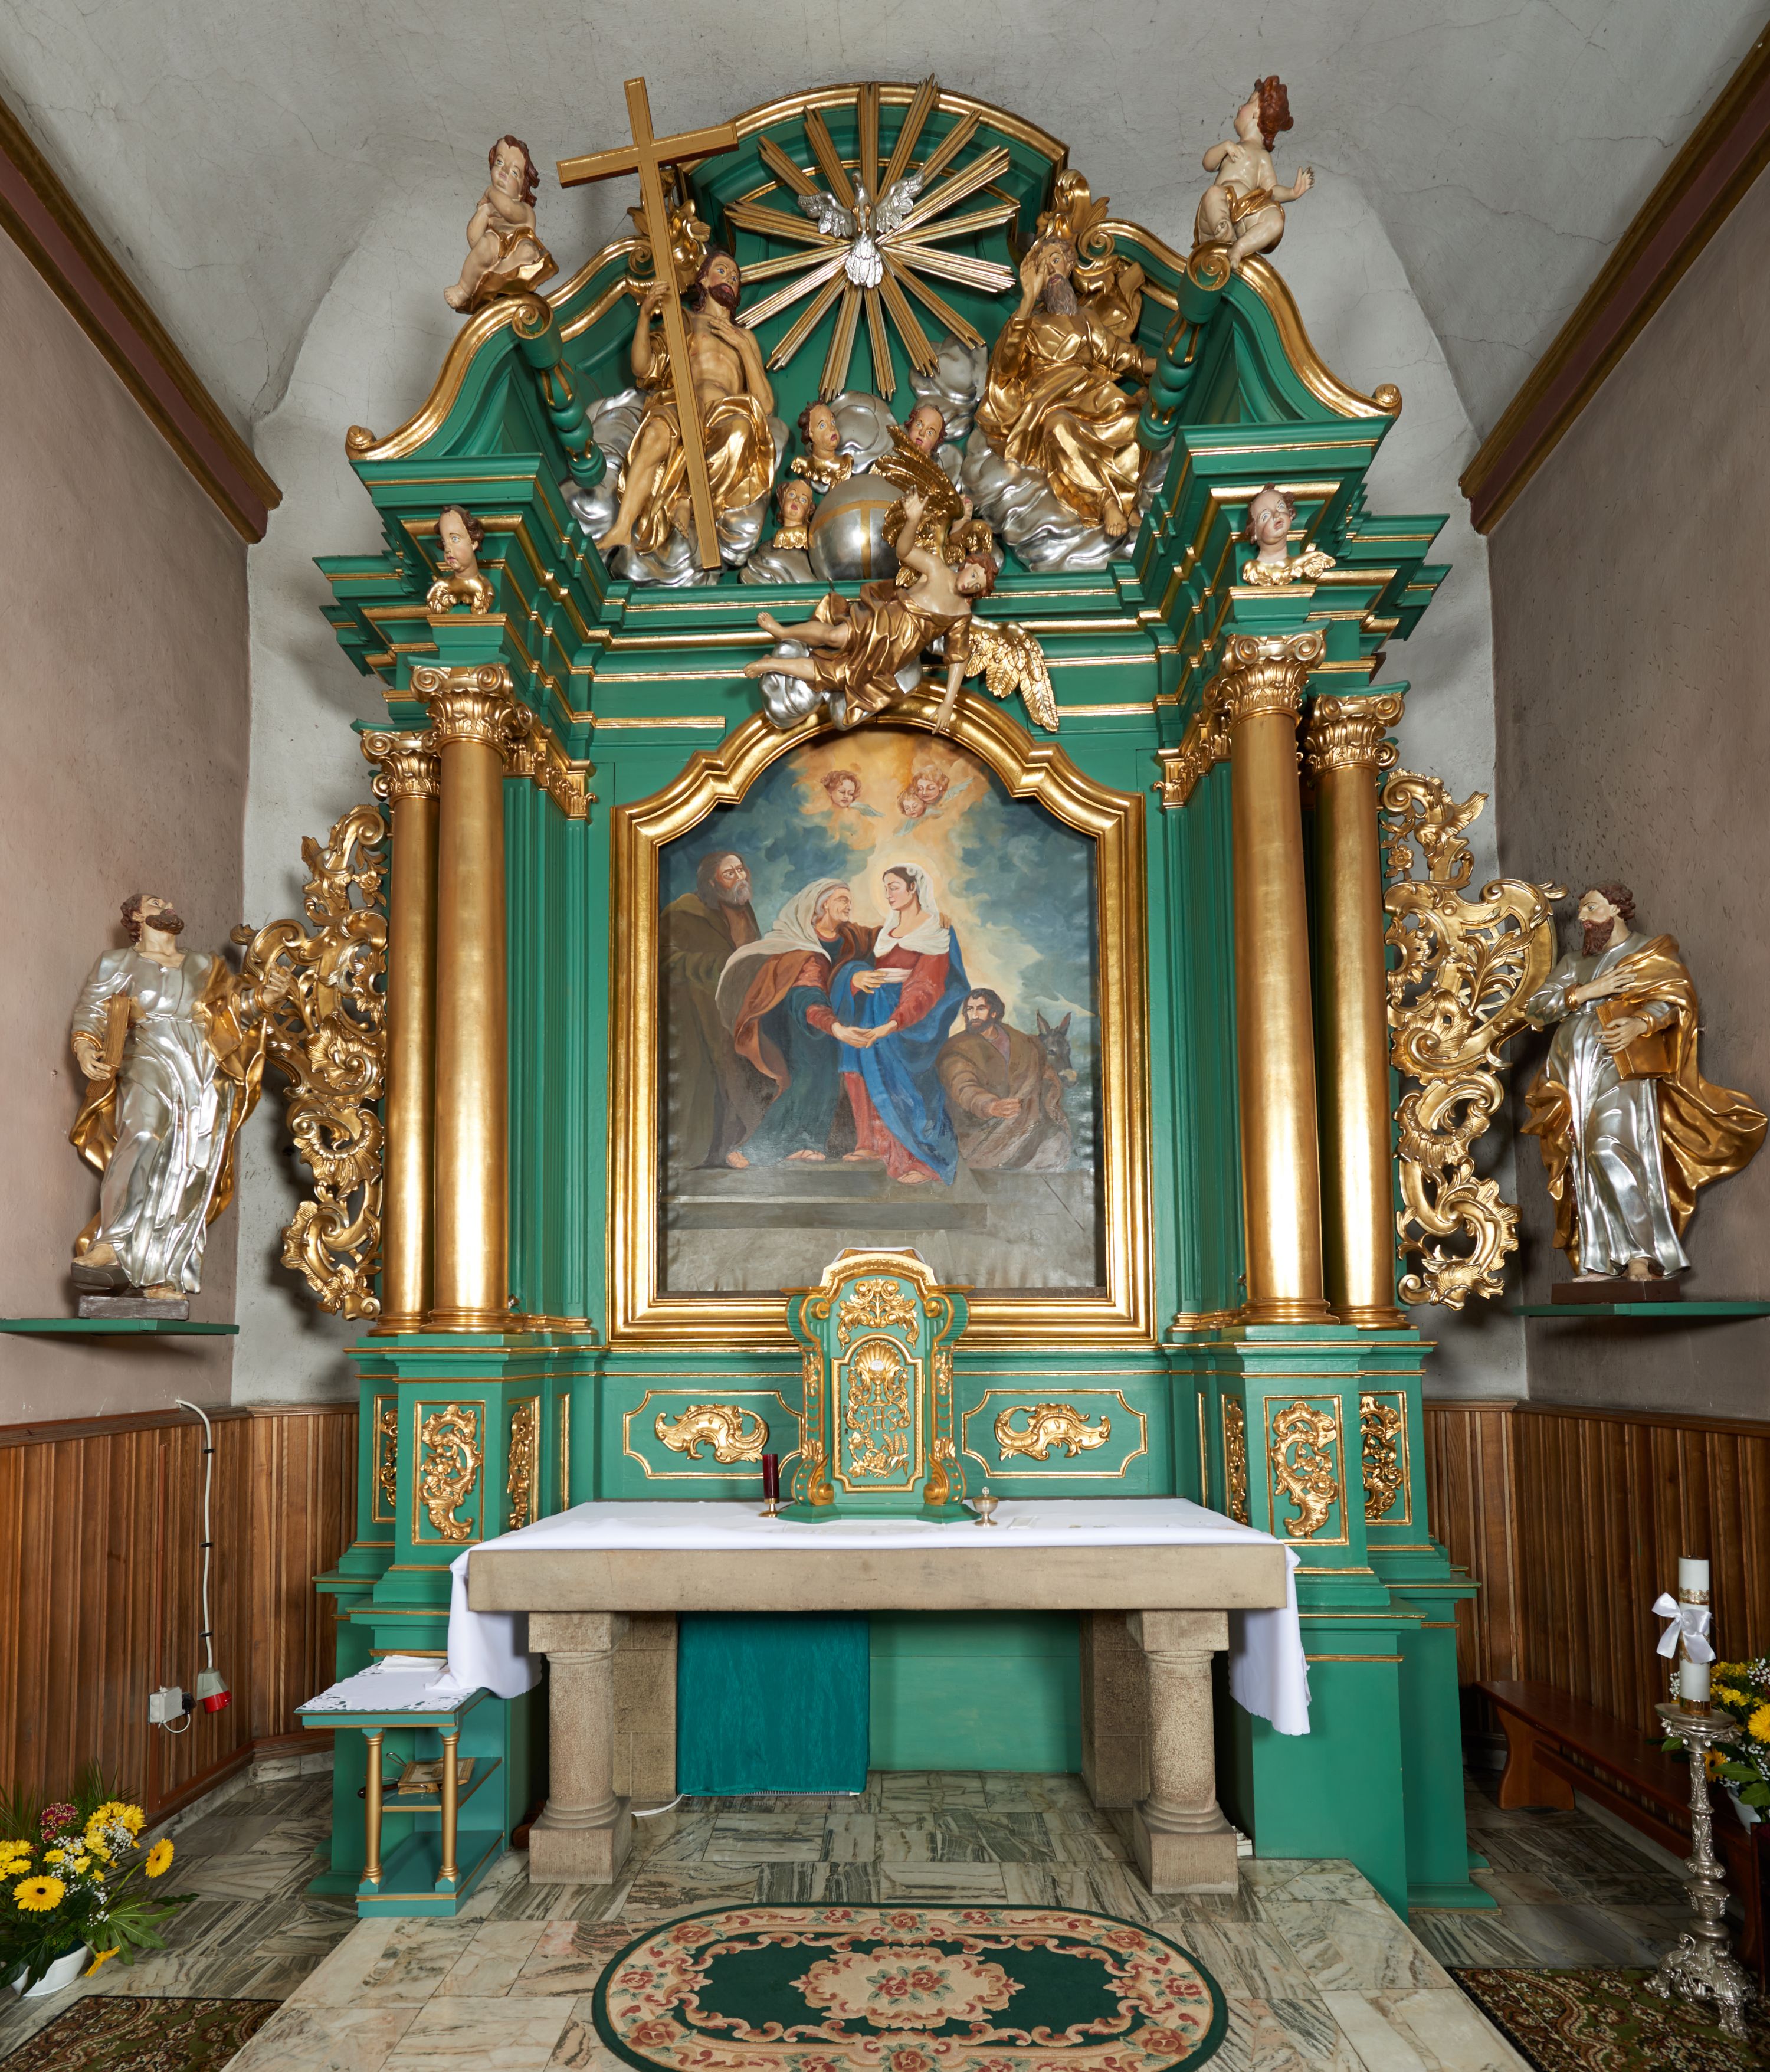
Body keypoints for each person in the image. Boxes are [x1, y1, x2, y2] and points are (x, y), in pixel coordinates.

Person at [1521, 885, 1765, 1281]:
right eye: (1582, 911)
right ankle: (1600, 1260)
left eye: (1591, 908)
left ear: (1617, 909)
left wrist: (1640, 1022)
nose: (1583, 918)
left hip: (1623, 1066)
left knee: (1608, 1148)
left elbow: (1675, 999)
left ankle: (1641, 1255)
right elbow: (1534, 1009)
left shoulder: (1647, 952)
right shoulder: (1573, 963)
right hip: (1571, 1075)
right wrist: (1589, 991)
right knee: (1582, 1160)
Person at [69, 894, 287, 1297]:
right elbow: (92, 1012)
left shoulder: (206, 965)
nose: (167, 905)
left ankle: (164, 1272)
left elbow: (234, 1012)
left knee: (194, 1164)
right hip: (148, 1055)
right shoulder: (117, 962)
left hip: (204, 1067)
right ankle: (111, 1244)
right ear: (137, 916)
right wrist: (85, 1048)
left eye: (167, 902)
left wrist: (264, 1000)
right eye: (156, 902)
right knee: (142, 1137)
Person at [743, 491, 995, 731]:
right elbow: (905, 551)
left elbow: (958, 658)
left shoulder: (960, 614)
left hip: (894, 654)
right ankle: (783, 632)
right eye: (974, 575)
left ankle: (772, 664)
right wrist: (912, 520)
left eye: (977, 587)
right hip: (880, 621)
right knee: (834, 636)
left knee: (835, 676)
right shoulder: (937, 569)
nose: (970, 584)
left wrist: (948, 704)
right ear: (967, 564)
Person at [596, 248, 776, 558]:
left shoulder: (745, 337)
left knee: (741, 432)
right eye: (723, 271)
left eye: (736, 278)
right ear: (703, 280)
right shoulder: (685, 321)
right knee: (655, 435)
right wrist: (645, 315)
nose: (730, 280)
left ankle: (688, 500)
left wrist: (742, 348)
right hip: (684, 403)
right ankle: (623, 526)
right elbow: (642, 367)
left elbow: (766, 404)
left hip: (725, 412)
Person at [975, 232, 1154, 539]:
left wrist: (1158, 366)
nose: (1051, 270)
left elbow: (1116, 354)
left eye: (1056, 260)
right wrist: (1026, 303)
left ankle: (1128, 502)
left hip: (1092, 396)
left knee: (1135, 423)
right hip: (1048, 404)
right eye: (1043, 268)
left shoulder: (1086, 319)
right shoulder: (1027, 323)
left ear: (1069, 266)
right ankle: (1106, 502)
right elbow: (1005, 368)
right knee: (1060, 429)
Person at [714, 880, 876, 1167]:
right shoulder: (802, 946)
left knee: (827, 1080)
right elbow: (807, 997)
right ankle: (755, 1150)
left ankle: (809, 1143)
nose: (849, 905)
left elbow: (882, 936)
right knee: (806, 1079)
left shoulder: (850, 936)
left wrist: (927, 921)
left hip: (835, 1019)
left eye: (849, 899)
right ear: (824, 904)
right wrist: (835, 1027)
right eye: (842, 899)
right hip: (804, 1021)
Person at [829, 864, 971, 1184]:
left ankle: (920, 1159)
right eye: (886, 888)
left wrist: (893, 1024)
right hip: (873, 1010)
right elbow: (862, 956)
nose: (888, 894)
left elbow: (926, 988)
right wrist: (855, 976)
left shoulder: (936, 930)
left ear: (913, 888)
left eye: (894, 887)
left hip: (906, 1019)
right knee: (859, 1070)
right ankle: (871, 1145)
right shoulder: (887, 929)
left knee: (903, 1085)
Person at [662, 850, 764, 1169]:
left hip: (736, 1010)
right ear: (711, 882)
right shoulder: (683, 912)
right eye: (729, 874)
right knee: (707, 1082)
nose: (740, 878)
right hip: (697, 1013)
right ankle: (697, 1154)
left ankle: (729, 1148)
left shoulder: (743, 909)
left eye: (740, 870)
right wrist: (717, 965)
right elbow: (662, 961)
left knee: (740, 1075)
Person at [936, 988, 1073, 1171]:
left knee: (1057, 1145)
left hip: (1027, 1120)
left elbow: (1041, 1068)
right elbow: (962, 1085)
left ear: (994, 1013)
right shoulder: (957, 1049)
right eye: (969, 1009)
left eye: (980, 1009)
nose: (973, 1015)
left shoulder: (1023, 1042)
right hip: (985, 1132)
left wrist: (1049, 1082)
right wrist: (990, 1105)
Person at [1194, 78, 1313, 272]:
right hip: (1216, 211)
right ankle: (1224, 232)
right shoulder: (1231, 148)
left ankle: (1239, 248)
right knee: (1213, 193)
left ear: (1257, 113)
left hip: (1245, 212)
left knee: (1276, 220)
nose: (1241, 106)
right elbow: (1208, 163)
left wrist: (1292, 193)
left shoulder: (1263, 157)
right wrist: (1225, 147)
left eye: (1249, 101)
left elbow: (1271, 190)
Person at [444, 135, 555, 312]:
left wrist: (490, 193)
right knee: (486, 243)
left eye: (514, 172)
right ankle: (464, 289)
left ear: (521, 192)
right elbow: (474, 241)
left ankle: (503, 280)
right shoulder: (491, 212)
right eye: (500, 162)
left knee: (527, 251)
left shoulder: (525, 209)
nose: (504, 170)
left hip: (517, 257)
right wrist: (484, 212)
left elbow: (508, 210)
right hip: (495, 259)